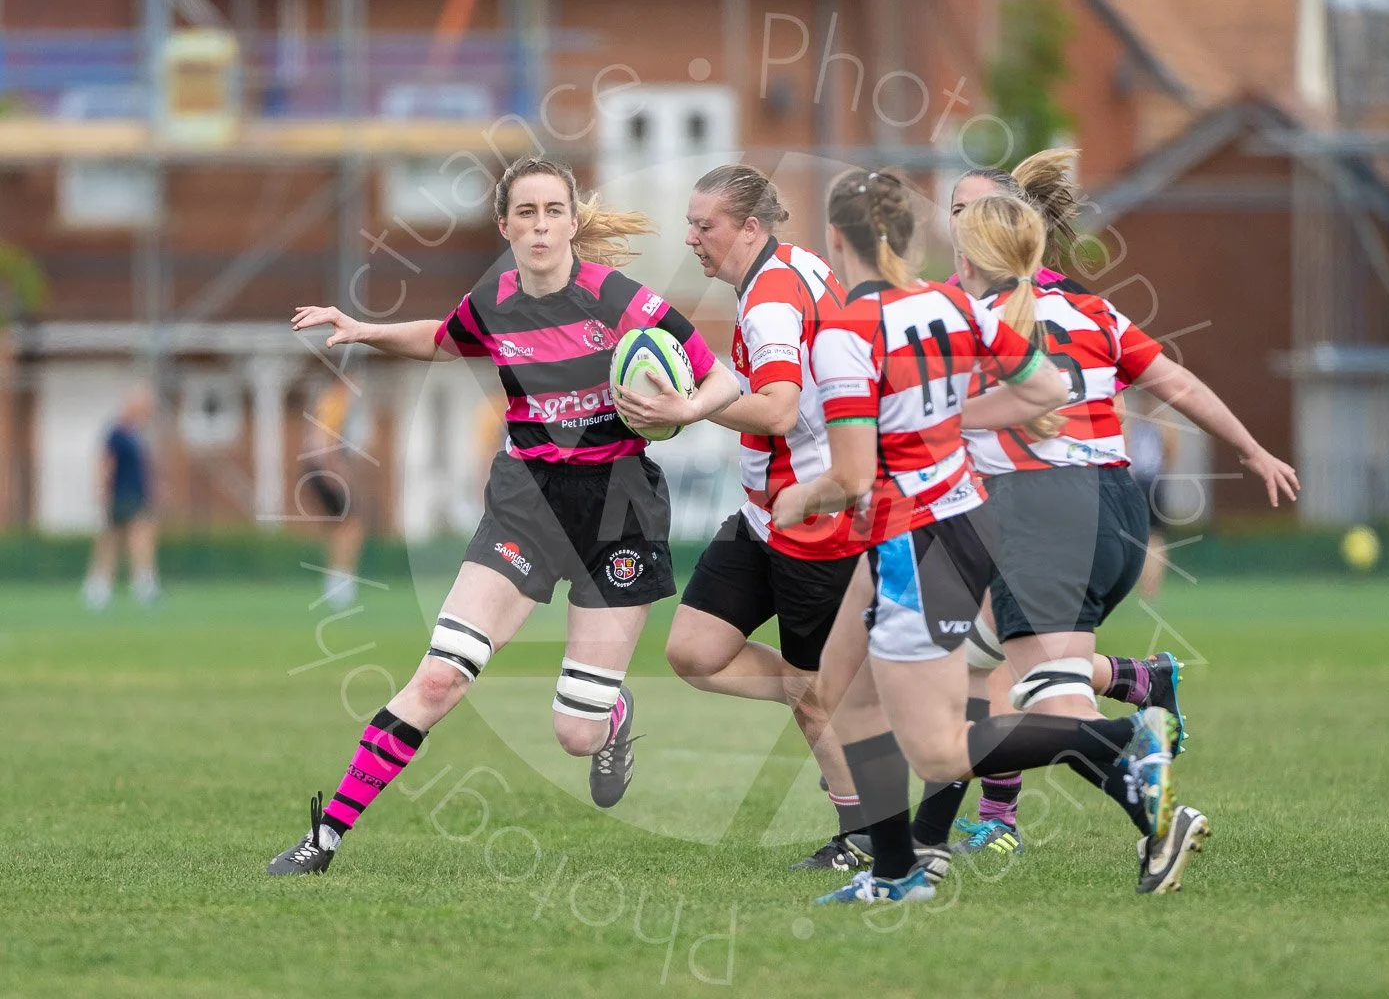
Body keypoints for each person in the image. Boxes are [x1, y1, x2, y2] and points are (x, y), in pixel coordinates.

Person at [268, 157, 740, 876]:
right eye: (527, 213)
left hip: (618, 508)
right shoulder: (495, 302)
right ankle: (325, 837)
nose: (541, 226)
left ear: (573, 220)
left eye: (554, 211)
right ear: (505, 226)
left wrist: (686, 409)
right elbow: (442, 338)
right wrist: (361, 328)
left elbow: (720, 374)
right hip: (525, 501)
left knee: (575, 734)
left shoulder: (621, 299)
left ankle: (610, 719)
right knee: (438, 678)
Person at [772, 168, 1182, 903]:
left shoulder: (846, 330)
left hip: (917, 539)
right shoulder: (946, 306)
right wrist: (949, 425)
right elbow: (1049, 389)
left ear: (837, 239)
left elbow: (855, 477)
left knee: (937, 744)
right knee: (841, 688)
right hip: (960, 522)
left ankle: (1117, 742)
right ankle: (896, 871)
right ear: (916, 237)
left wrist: (802, 495)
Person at [913, 180, 1299, 892]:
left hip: (1040, 513)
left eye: (961, 217)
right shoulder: (1093, 309)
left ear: (974, 252)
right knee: (970, 674)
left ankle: (1136, 758)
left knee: (1052, 704)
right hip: (1114, 510)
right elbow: (1176, 384)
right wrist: (1251, 448)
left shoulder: (963, 316)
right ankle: (925, 844)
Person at [933, 158, 1191, 859]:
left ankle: (1130, 773)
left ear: (1015, 226)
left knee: (1030, 690)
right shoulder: (954, 302)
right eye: (955, 209)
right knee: (968, 671)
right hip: (1020, 515)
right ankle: (1137, 685)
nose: (961, 223)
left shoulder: (1042, 306)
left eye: (975, 210)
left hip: (1045, 517)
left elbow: (1052, 397)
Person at [665, 164, 870, 871]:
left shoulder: (768, 303)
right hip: (764, 516)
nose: (692, 237)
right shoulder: (793, 265)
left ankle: (863, 834)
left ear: (750, 227)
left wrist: (689, 406)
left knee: (823, 699)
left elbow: (780, 409)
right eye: (690, 223)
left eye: (705, 225)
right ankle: (844, 726)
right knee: (693, 650)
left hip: (811, 520)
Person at [82, 387, 160, 608]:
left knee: (141, 537)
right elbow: (106, 463)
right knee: (112, 541)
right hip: (119, 493)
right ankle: (99, 587)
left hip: (136, 494)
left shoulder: (136, 433)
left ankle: (142, 584)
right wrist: (101, 490)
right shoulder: (116, 432)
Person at [299, 377, 367, 609]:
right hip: (323, 469)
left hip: (320, 468)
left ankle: (337, 580)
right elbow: (324, 440)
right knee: (350, 526)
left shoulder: (332, 400)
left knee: (342, 527)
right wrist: (333, 472)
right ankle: (340, 581)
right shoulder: (336, 401)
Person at [1119, 387, 1179, 600]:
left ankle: (1144, 585)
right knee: (1154, 537)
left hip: (1138, 482)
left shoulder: (1130, 423)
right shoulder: (1164, 424)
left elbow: (1123, 450)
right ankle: (1150, 589)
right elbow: (1172, 451)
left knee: (1142, 537)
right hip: (1154, 481)